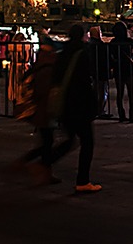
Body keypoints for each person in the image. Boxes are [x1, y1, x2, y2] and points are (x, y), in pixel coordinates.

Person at [45, 24, 101, 193]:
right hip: (80, 103)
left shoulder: (63, 53)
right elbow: (85, 81)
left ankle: (44, 163)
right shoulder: (82, 53)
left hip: (65, 103)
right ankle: (82, 180)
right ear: (83, 35)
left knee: (70, 140)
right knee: (87, 142)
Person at [14, 36, 61, 185]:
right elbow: (44, 90)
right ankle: (35, 166)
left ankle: (41, 169)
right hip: (44, 110)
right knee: (47, 142)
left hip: (41, 110)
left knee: (46, 141)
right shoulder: (47, 66)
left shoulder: (40, 63)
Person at [110, 21, 133, 121]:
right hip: (128, 68)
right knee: (131, 93)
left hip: (118, 68)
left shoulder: (113, 42)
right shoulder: (127, 41)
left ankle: (121, 114)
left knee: (120, 93)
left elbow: (111, 55)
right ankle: (132, 114)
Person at [87, 26, 110, 115]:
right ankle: (100, 110)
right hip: (101, 71)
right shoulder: (100, 45)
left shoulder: (89, 44)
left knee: (96, 90)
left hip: (94, 71)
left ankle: (95, 109)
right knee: (102, 91)